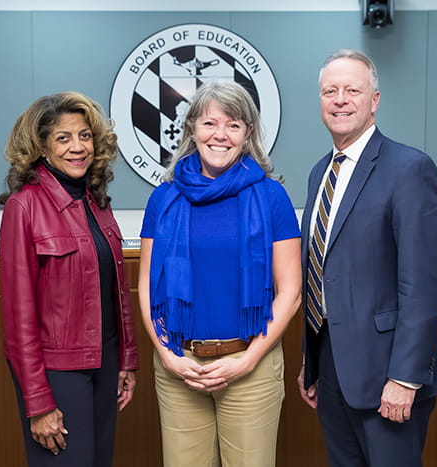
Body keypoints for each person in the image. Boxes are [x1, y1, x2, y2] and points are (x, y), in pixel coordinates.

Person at [138, 80, 302, 467]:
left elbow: (290, 291)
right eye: (210, 123)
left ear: (248, 133)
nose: (220, 135)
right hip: (180, 366)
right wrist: (167, 355)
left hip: (250, 366)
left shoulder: (271, 196)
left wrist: (248, 360)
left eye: (233, 125)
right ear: (192, 127)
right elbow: (146, 285)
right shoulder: (163, 197)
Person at [298, 49, 437, 467]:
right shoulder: (319, 173)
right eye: (331, 91)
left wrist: (405, 377)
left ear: (375, 100)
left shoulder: (409, 168)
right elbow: (320, 270)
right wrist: (312, 362)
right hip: (332, 369)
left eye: (352, 90)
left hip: (389, 375)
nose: (340, 99)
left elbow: (423, 284)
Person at [0, 91, 139, 466]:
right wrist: (38, 401)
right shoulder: (23, 206)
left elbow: (115, 292)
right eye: (63, 138)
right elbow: (19, 320)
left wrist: (126, 360)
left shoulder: (97, 201)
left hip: (105, 365)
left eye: (85, 136)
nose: (78, 147)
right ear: (41, 146)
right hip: (58, 374)